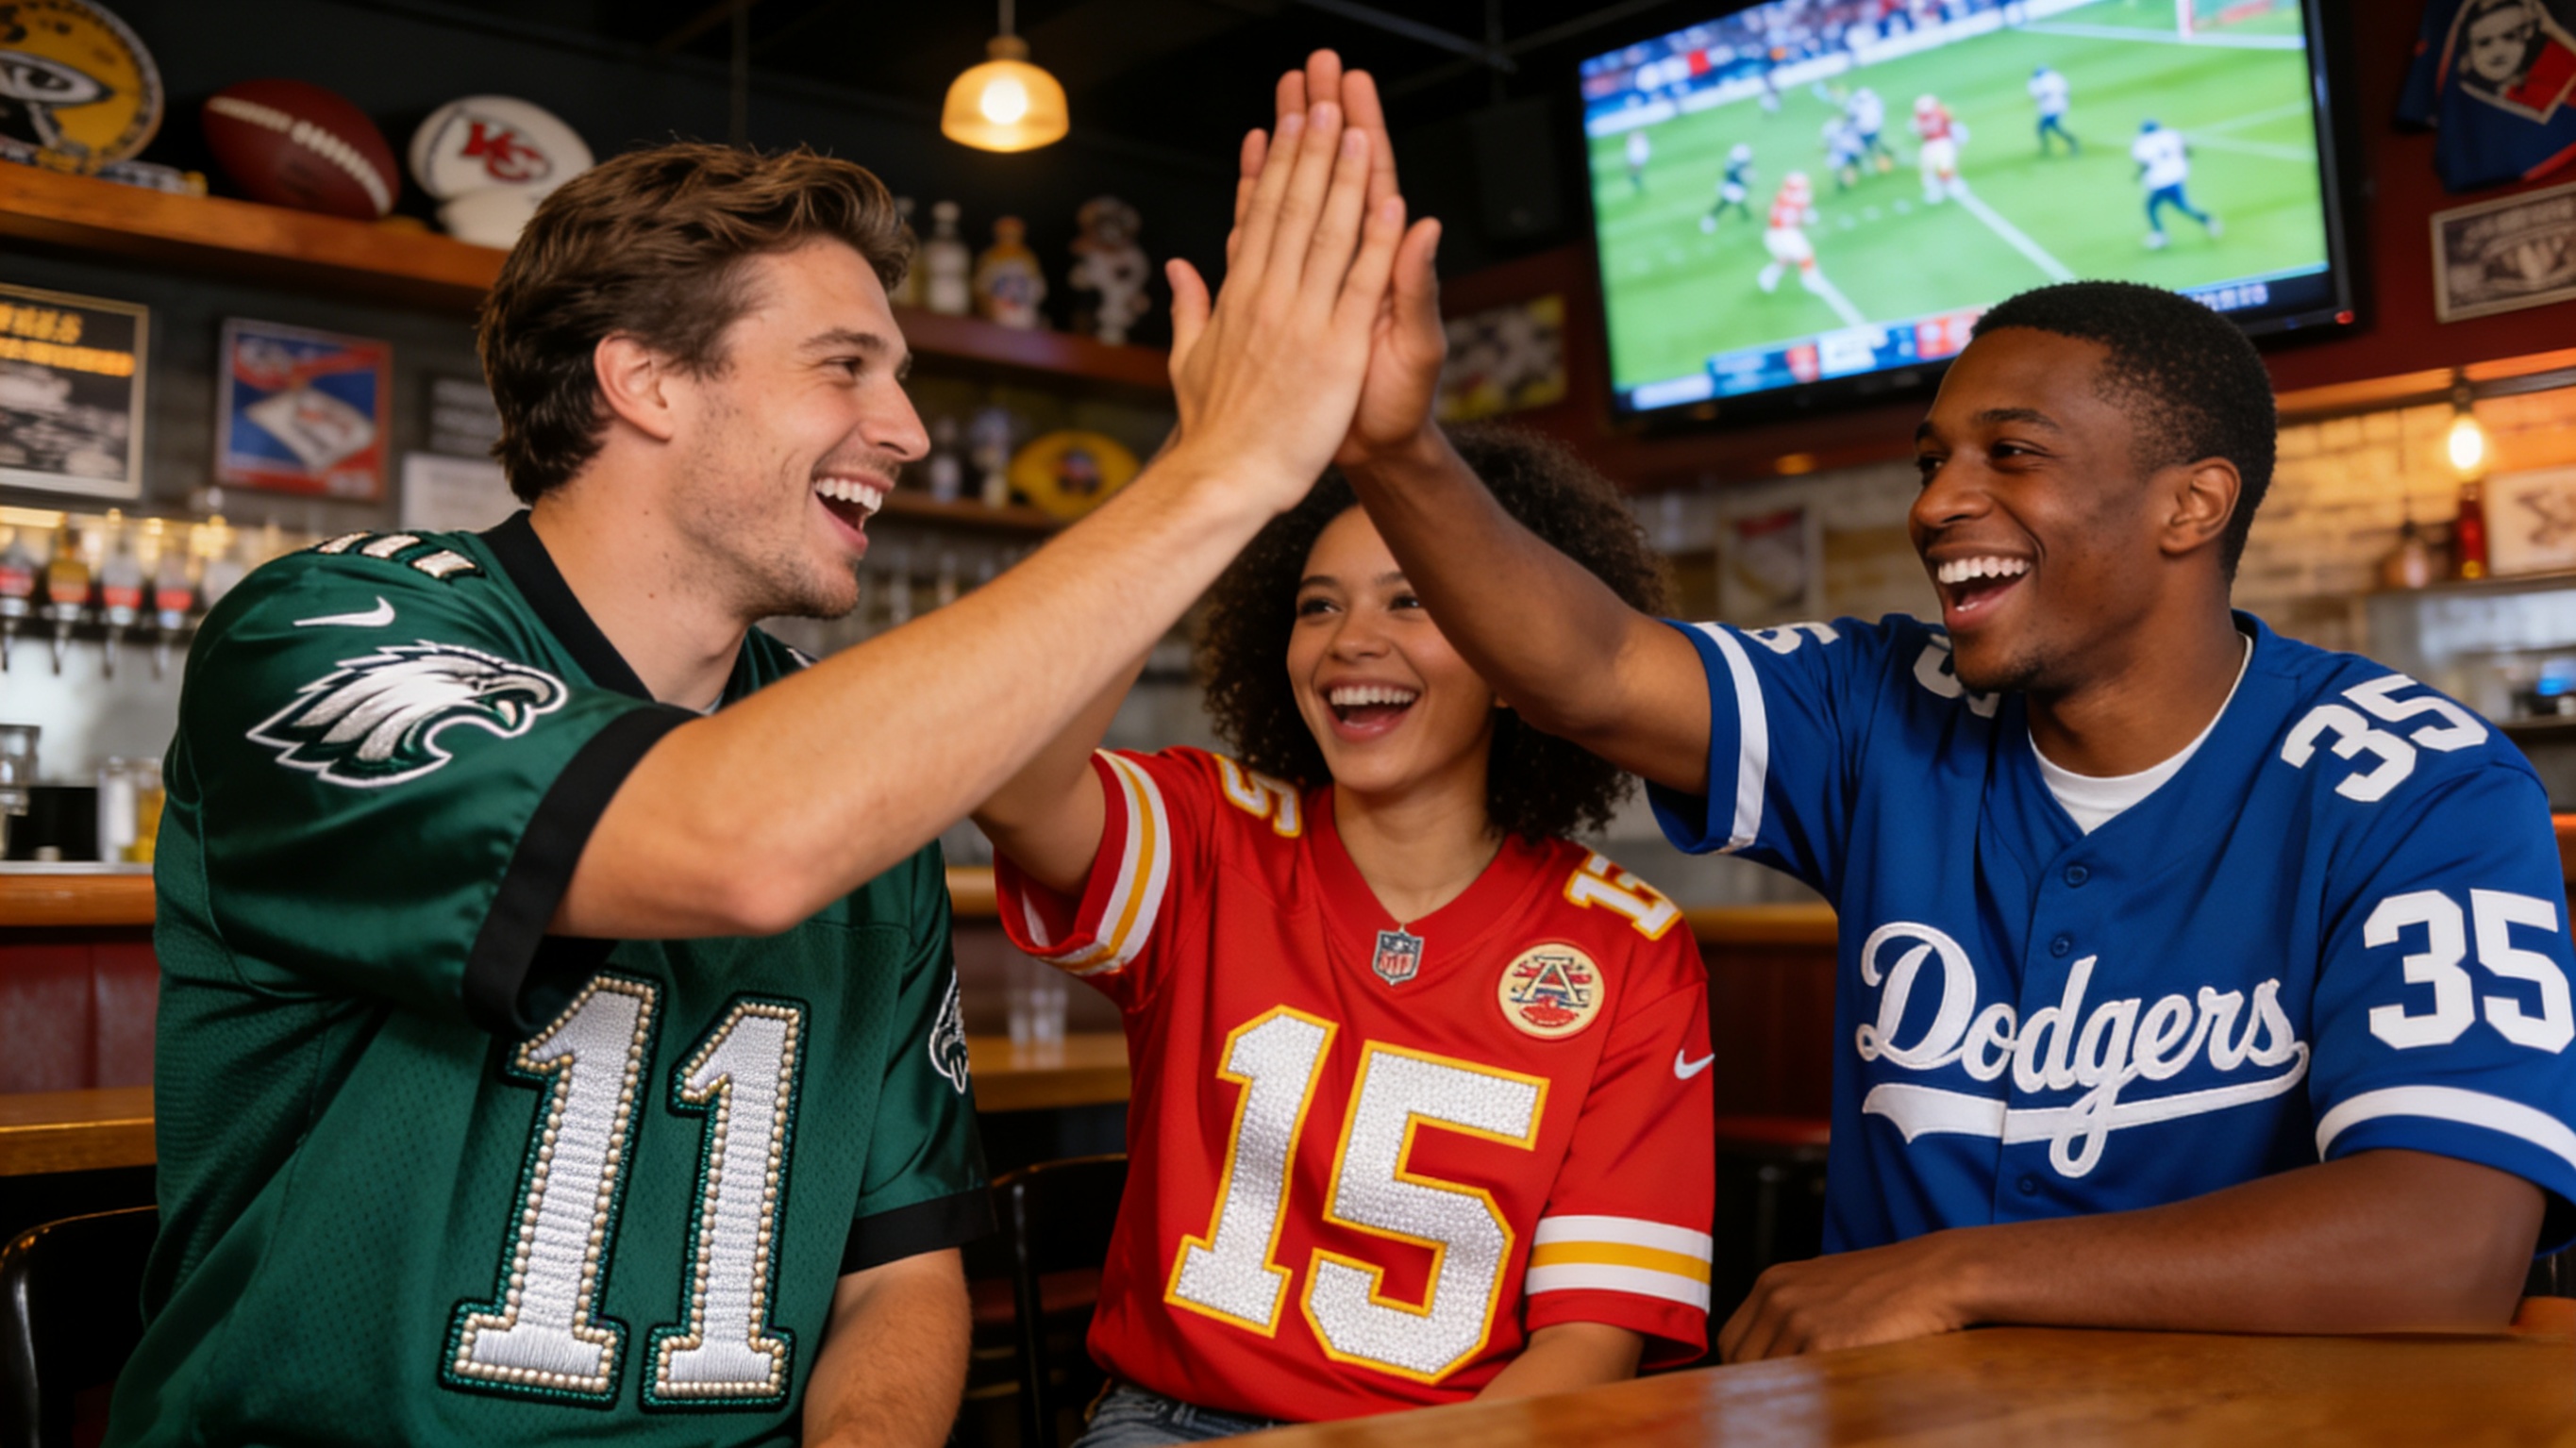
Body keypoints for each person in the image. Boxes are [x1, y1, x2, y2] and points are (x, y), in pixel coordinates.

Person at [105, 101, 1430, 1447]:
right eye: (845, 366)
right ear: (647, 380)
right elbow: (731, 840)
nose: (906, 430)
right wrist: (1219, 470)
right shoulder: (327, 629)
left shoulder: (853, 768)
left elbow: (899, 1270)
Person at [1231, 81, 2574, 1357]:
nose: (1935, 501)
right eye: (1933, 458)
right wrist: (1396, 449)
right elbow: (1585, 667)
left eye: (2011, 452)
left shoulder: (2418, 785)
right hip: (1893, 1416)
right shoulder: (1880, 700)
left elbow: (2445, 1244)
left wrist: (1955, 1274)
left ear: (2191, 504)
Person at [973, 427, 1715, 1442]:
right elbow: (1014, 783)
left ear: (1515, 652)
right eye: (1318, 605)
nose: (1349, 640)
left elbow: (1589, 1348)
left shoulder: (1632, 948)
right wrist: (1205, 488)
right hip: (1174, 1421)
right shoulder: (1208, 836)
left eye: (1410, 600)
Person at [2133, 119, 2220, 249]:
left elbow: (2145, 165)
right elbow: (2188, 151)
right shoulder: (2171, 135)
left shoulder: (2142, 143)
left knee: (2153, 207)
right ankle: (2207, 221)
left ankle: (2161, 235)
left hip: (2160, 182)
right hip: (2176, 177)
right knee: (2178, 206)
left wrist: (2138, 176)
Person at [1757, 172, 1825, 296]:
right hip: (1785, 233)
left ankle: (1768, 276)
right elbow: (1798, 219)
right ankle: (1810, 281)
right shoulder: (1801, 198)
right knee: (1806, 255)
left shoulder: (1782, 195)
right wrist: (1806, 218)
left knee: (1786, 259)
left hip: (1775, 232)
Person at [1912, 93, 1965, 205]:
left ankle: (1953, 187)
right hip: (1931, 144)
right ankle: (1936, 191)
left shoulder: (1940, 113)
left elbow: (1952, 126)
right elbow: (1920, 133)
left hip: (1943, 142)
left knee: (1945, 168)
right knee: (1928, 170)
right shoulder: (1921, 118)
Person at [1704, 141, 1757, 229]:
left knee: (1735, 204)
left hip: (1731, 188)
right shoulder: (1739, 167)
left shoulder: (1731, 164)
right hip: (1733, 189)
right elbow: (1746, 178)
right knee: (1725, 204)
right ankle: (1710, 218)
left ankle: (1747, 218)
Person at [2029, 65, 2079, 157]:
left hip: (2053, 109)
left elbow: (2043, 95)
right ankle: (2047, 149)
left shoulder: (2046, 82)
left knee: (2048, 128)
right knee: (2042, 129)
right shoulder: (2055, 79)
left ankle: (2072, 142)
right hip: (2055, 108)